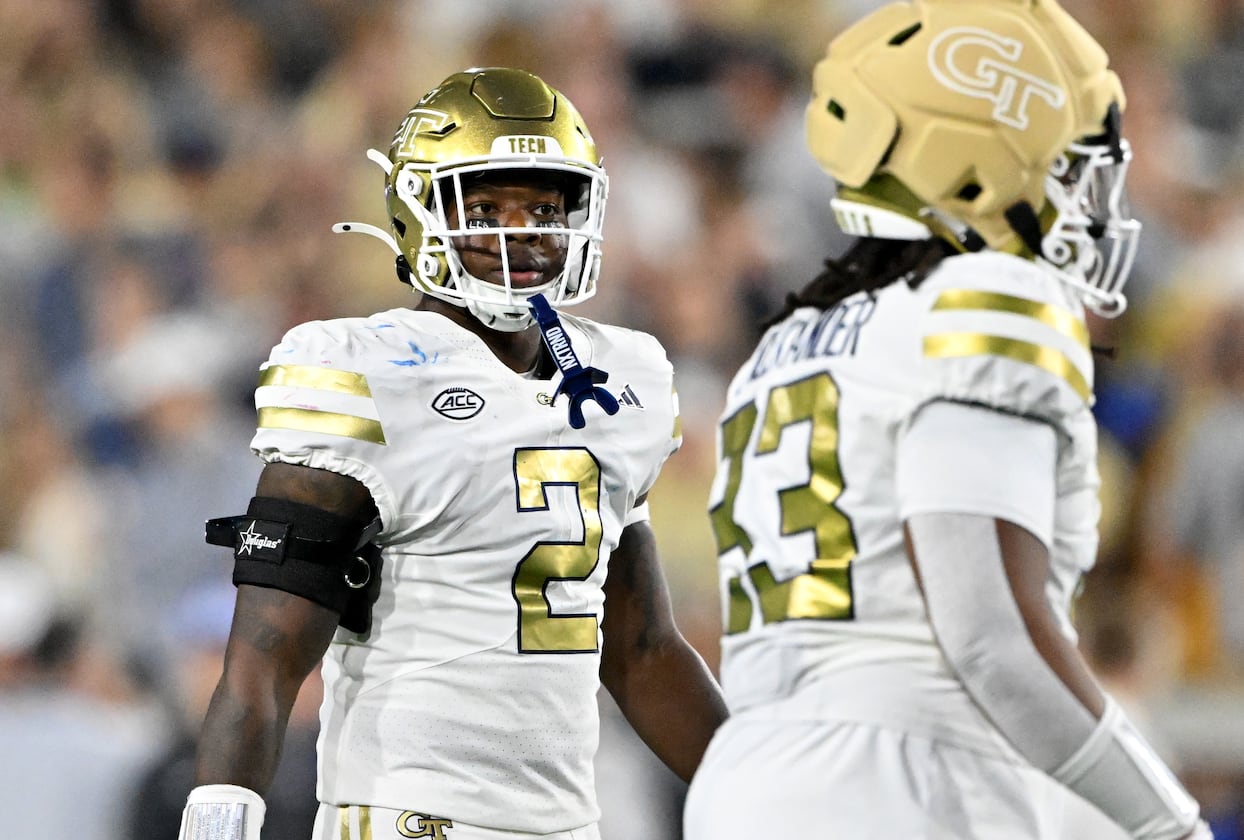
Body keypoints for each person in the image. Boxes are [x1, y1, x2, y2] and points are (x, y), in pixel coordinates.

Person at [682, 2, 1212, 839]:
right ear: (974, 165)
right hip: (905, 781)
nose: (1085, 204)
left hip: (745, 783)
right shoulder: (984, 301)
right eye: (1064, 168)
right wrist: (1170, 824)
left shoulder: (786, 343)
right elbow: (989, 637)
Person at [176, 67, 727, 840]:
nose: (520, 231)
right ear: (420, 211)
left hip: (567, 823)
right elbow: (264, 656)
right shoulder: (364, 370)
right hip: (411, 817)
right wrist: (218, 820)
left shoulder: (620, 377)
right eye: (486, 208)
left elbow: (640, 650)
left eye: (544, 207)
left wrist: (765, 793)